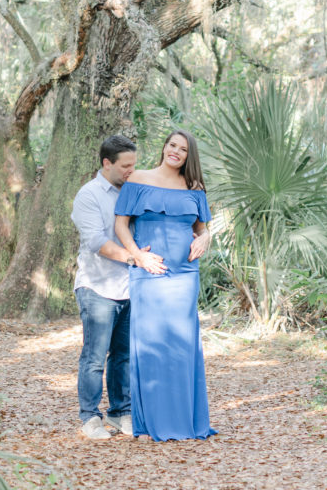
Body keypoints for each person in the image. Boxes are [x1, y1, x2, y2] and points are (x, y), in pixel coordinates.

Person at [114, 128, 217, 441]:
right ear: (164, 147)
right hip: (149, 273)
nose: (176, 151)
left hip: (185, 275)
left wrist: (206, 239)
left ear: (189, 155)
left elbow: (203, 229)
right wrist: (137, 257)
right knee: (151, 345)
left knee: (182, 346)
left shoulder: (194, 187)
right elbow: (120, 225)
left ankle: (185, 421)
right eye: (172, 145)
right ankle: (149, 422)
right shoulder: (138, 179)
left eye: (183, 149)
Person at [71, 134, 166, 440]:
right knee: (95, 357)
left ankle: (118, 412)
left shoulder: (134, 191)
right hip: (97, 287)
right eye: (126, 165)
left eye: (134, 165)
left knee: (123, 356)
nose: (131, 170)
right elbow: (97, 241)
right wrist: (134, 258)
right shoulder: (88, 195)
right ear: (106, 163)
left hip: (130, 287)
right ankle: (90, 417)